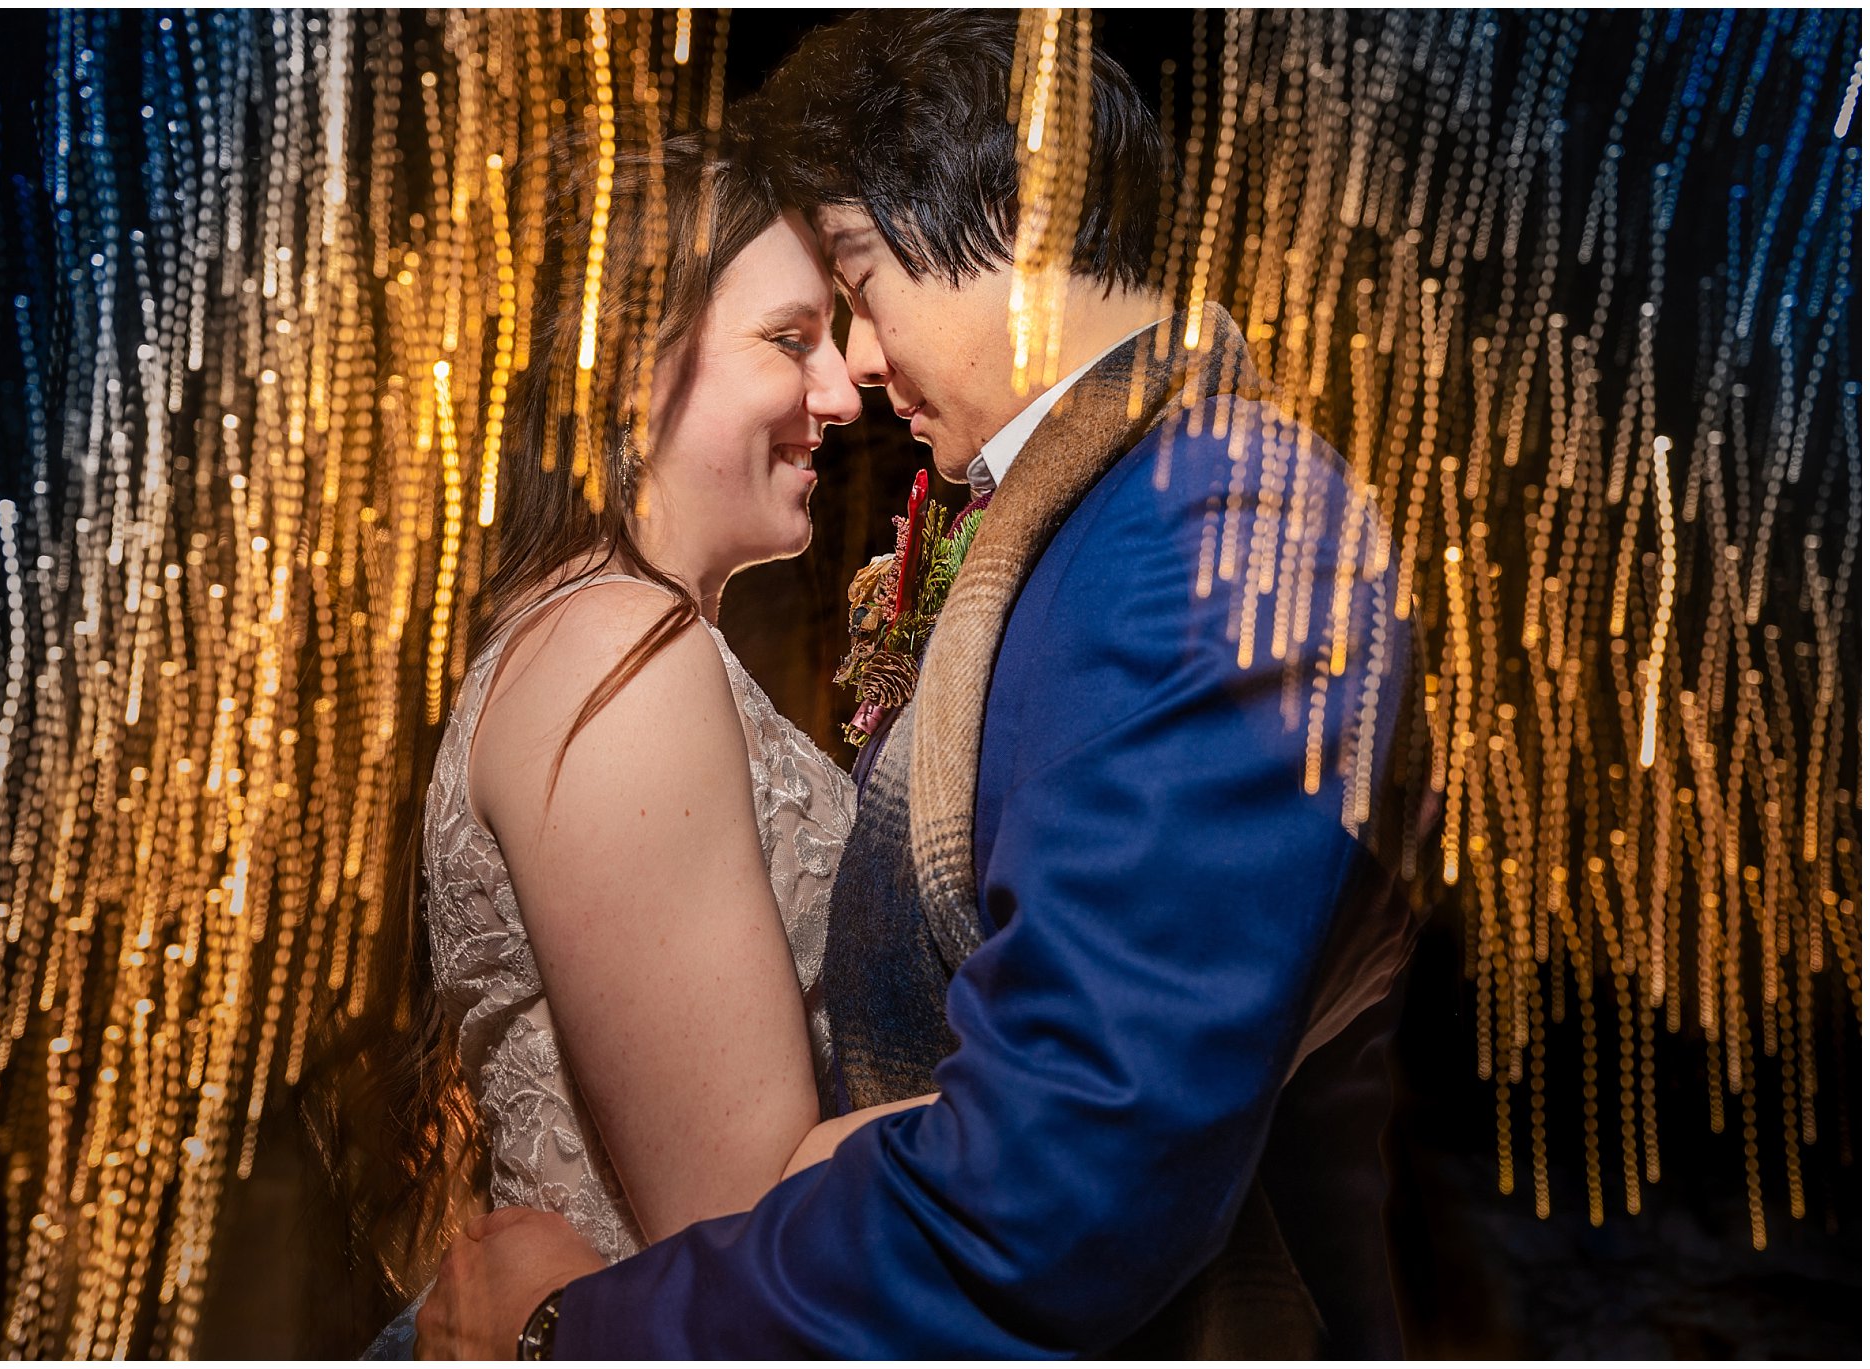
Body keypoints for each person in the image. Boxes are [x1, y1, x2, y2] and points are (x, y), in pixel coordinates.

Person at [417, 10, 1428, 1359]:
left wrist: (574, 1334)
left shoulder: (1203, 523)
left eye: (854, 286)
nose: (856, 377)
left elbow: (1071, 1174)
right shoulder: (1095, 530)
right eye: (798, 331)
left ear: (1005, 225)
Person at [314, 127, 933, 1357]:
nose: (836, 391)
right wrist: (1104, 1087)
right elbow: (741, 1227)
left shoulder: (605, 635)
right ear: (622, 365)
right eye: (788, 340)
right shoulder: (615, 652)